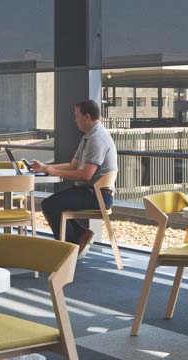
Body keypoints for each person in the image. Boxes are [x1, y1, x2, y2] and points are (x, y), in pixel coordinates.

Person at [33, 100, 117, 258]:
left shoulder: (97, 138)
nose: (75, 120)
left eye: (77, 116)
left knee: (50, 205)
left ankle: (71, 248)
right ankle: (79, 237)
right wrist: (45, 168)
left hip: (98, 196)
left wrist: (54, 171)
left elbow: (86, 174)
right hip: (89, 192)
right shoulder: (88, 136)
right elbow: (73, 165)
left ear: (87, 116)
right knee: (52, 204)